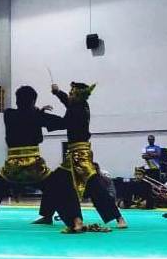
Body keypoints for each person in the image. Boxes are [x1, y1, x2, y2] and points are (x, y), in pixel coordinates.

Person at [0, 86, 82, 232]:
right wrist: (64, 100)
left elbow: (24, 115)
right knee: (62, 186)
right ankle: (76, 220)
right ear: (33, 101)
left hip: (12, 168)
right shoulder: (37, 116)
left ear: (17, 101)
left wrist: (37, 111)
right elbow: (64, 123)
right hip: (36, 168)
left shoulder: (9, 114)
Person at [34, 82, 127, 229]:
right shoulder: (82, 105)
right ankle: (47, 215)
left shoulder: (77, 110)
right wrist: (58, 93)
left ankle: (118, 217)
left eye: (72, 93)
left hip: (81, 156)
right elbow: (67, 102)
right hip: (74, 154)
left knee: (95, 186)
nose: (69, 95)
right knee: (53, 181)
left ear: (78, 96)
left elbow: (63, 122)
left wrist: (40, 117)